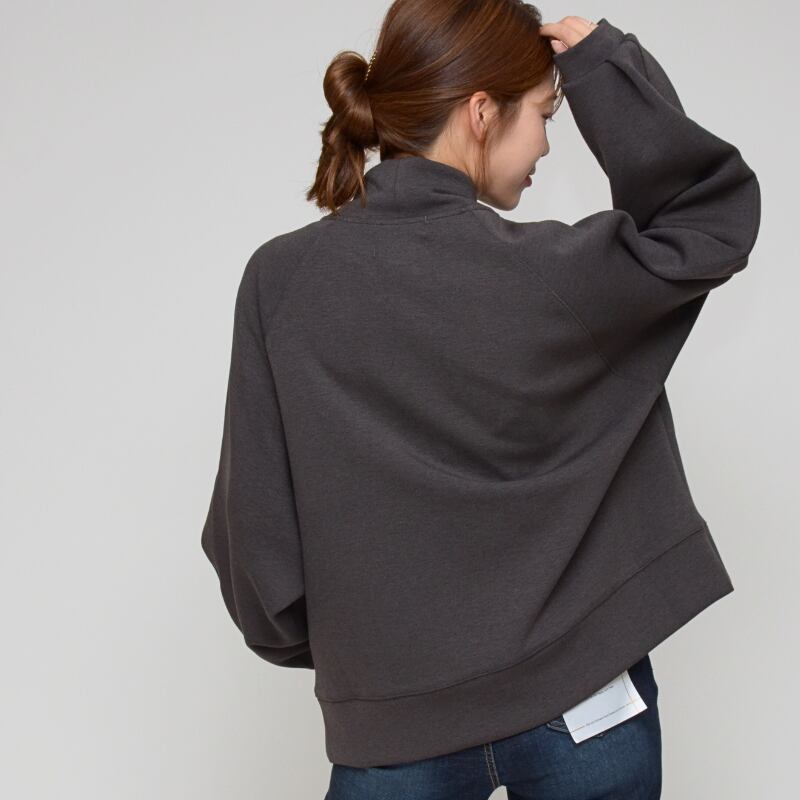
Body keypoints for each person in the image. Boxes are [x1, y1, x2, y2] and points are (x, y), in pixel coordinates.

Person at [200, 3, 761, 798]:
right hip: (584, 697)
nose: (546, 144)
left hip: (394, 721)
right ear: (480, 111)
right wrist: (607, 68)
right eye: (545, 113)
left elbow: (256, 532)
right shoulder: (552, 274)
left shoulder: (281, 282)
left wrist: (365, 667)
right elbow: (711, 218)